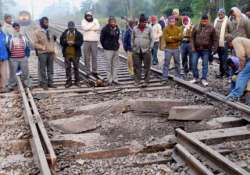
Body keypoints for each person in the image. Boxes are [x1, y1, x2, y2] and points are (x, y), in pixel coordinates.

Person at [190, 15, 218, 86]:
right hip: (196, 49)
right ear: (201, 20)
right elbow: (192, 37)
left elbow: (215, 39)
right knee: (193, 63)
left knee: (205, 65)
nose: (204, 22)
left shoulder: (211, 28)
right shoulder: (196, 26)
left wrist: (214, 48)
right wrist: (192, 47)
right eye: (203, 21)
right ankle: (195, 77)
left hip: (206, 49)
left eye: (205, 21)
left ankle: (204, 79)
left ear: (207, 20)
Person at [6, 23, 31, 91]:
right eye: (15, 28)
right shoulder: (10, 37)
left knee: (25, 72)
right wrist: (9, 56)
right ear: (13, 29)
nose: (17, 29)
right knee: (13, 73)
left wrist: (27, 55)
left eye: (18, 28)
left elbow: (27, 45)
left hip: (23, 57)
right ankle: (11, 85)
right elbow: (8, 46)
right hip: (13, 58)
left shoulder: (23, 36)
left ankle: (27, 84)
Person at [34, 17, 57, 90]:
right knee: (42, 69)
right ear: (41, 23)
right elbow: (35, 44)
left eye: (47, 22)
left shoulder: (50, 31)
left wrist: (54, 50)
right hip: (42, 53)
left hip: (51, 52)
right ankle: (44, 83)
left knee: (50, 69)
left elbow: (53, 41)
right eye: (45, 22)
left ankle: (50, 83)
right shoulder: (37, 32)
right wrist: (41, 47)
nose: (47, 23)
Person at [60, 21, 83, 88]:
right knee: (67, 68)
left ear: (74, 27)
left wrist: (74, 43)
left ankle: (77, 81)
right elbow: (61, 42)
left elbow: (80, 43)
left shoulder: (79, 34)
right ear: (68, 27)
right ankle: (69, 82)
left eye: (72, 28)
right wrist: (67, 42)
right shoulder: (64, 34)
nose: (71, 29)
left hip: (76, 54)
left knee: (76, 68)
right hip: (67, 54)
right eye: (70, 28)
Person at [132, 14, 153, 87]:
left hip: (146, 50)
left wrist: (150, 48)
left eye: (145, 22)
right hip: (136, 50)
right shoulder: (135, 28)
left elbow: (152, 39)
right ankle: (137, 81)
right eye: (143, 22)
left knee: (147, 67)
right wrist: (133, 48)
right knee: (137, 66)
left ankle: (146, 81)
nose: (144, 23)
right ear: (139, 22)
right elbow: (132, 39)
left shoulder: (149, 28)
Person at [226, 37, 250, 101]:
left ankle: (234, 95)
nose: (230, 47)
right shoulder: (242, 40)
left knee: (242, 75)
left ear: (230, 42)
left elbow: (241, 56)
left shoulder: (235, 41)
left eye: (228, 45)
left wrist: (241, 69)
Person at [162, 16, 182, 84]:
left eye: (173, 21)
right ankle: (164, 77)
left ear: (175, 21)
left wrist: (172, 37)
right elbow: (167, 39)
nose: (172, 23)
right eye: (170, 21)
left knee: (177, 63)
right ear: (168, 21)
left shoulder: (178, 29)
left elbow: (181, 37)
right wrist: (176, 38)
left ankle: (178, 76)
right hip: (168, 49)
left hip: (176, 48)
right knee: (166, 63)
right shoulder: (165, 29)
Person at [100, 16, 120, 85]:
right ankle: (109, 79)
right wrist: (105, 46)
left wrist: (117, 45)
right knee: (108, 65)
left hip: (115, 49)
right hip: (108, 49)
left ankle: (115, 79)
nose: (113, 23)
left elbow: (117, 37)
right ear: (109, 22)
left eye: (114, 22)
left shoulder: (117, 28)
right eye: (112, 22)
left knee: (115, 65)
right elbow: (101, 39)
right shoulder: (105, 29)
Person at [214, 8, 232, 79]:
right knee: (220, 59)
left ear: (224, 14)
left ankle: (227, 73)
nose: (220, 14)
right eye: (219, 13)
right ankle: (222, 73)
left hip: (224, 43)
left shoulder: (228, 21)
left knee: (224, 59)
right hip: (217, 43)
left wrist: (227, 38)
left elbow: (231, 31)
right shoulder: (216, 20)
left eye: (221, 13)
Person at [81, 11, 100, 77]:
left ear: (92, 16)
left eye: (90, 15)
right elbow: (85, 28)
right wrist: (93, 25)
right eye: (87, 16)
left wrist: (89, 27)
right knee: (86, 57)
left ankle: (94, 71)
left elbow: (97, 28)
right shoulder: (83, 21)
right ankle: (87, 71)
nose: (89, 17)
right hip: (86, 41)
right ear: (86, 16)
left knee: (94, 57)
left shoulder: (96, 20)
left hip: (94, 41)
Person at [0, 23, 9, 93]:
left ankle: (3, 87)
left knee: (3, 73)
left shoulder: (4, 35)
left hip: (3, 57)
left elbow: (6, 45)